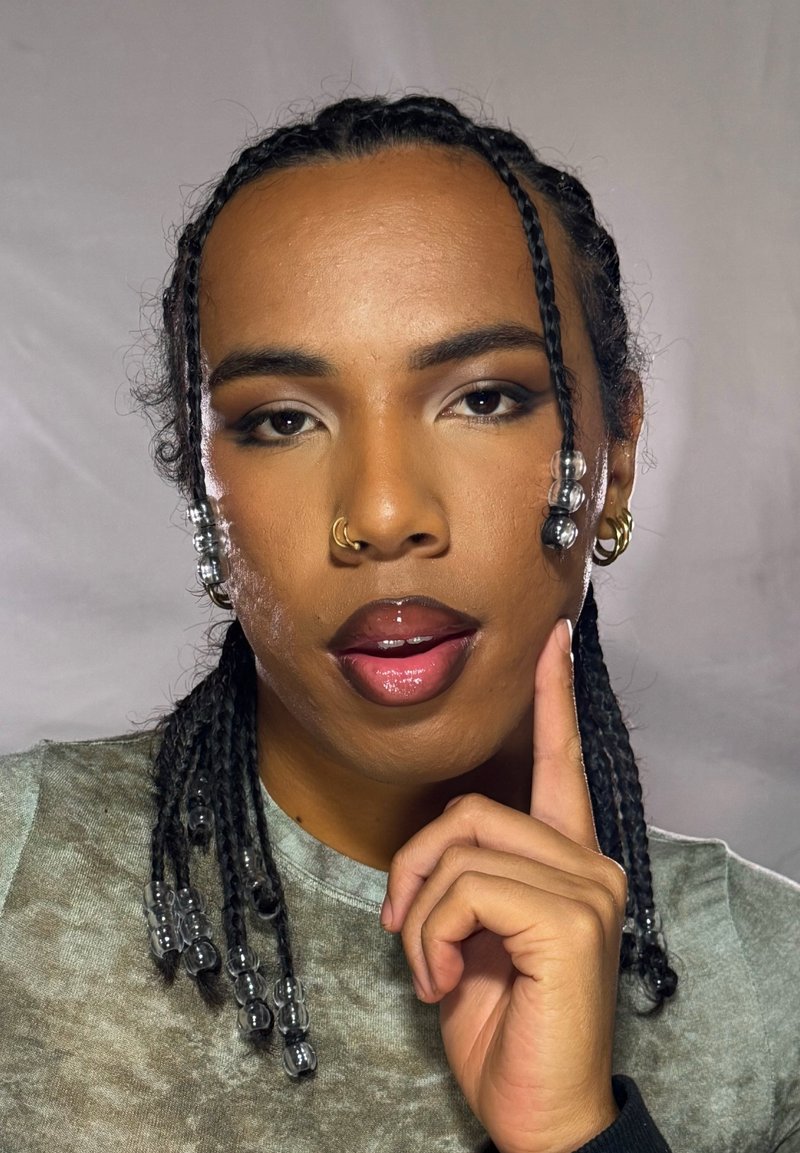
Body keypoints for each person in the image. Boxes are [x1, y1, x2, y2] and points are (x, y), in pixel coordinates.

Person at [1, 94, 797, 1153]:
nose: (380, 514)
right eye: (282, 419)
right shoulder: (21, 878)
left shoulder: (773, 987)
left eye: (480, 398)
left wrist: (575, 1134)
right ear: (201, 484)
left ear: (618, 451)